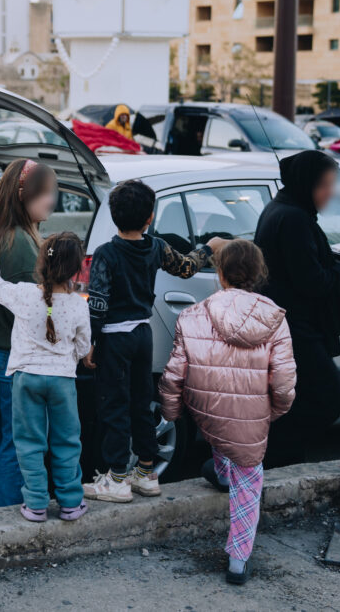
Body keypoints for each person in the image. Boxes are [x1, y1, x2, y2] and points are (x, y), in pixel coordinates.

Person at [159, 240, 296, 585]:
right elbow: (282, 382)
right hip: (248, 412)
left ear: (219, 274)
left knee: (224, 416)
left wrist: (172, 411)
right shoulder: (275, 318)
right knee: (249, 475)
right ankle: (238, 560)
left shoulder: (191, 316)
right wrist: (272, 413)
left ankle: (222, 473)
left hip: (206, 408)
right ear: (258, 274)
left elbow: (174, 373)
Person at [82, 179, 225, 502]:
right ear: (150, 217)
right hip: (142, 336)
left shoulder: (106, 254)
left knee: (114, 407)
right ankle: (146, 472)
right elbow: (187, 267)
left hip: (114, 339)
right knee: (142, 403)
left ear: (114, 215)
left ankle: (117, 478)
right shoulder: (157, 247)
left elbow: (99, 302)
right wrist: (208, 247)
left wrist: (89, 342)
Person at [254, 150, 340, 468]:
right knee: (328, 399)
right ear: (307, 184)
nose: (330, 192)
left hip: (290, 326)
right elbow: (309, 280)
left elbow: (301, 265)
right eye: (325, 185)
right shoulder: (292, 217)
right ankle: (267, 458)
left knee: (298, 400)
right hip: (296, 330)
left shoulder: (289, 211)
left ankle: (281, 464)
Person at [0, 230, 91, 522]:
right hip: (63, 381)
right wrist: (69, 359)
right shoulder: (80, 304)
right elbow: (81, 346)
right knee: (67, 441)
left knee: (28, 443)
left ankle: (36, 504)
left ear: (41, 264)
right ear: (76, 268)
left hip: (26, 378)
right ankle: (69, 503)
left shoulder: (24, 295)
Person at [0, 158, 57, 508]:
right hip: (14, 353)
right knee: (20, 440)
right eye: (47, 193)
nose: (52, 201)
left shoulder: (0, 234)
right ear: (24, 196)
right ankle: (6, 516)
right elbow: (36, 312)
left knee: (6, 437)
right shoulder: (22, 245)